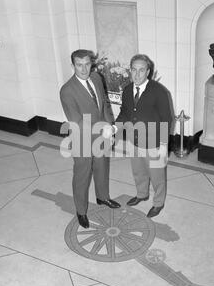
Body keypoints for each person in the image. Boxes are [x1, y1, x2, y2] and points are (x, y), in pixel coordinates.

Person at [60, 49, 121, 229]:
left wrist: (110, 126)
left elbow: (104, 105)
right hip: (83, 140)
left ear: (91, 64)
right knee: (82, 176)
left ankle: (102, 197)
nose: (84, 69)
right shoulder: (67, 90)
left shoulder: (96, 78)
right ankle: (81, 211)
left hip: (102, 135)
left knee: (102, 168)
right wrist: (104, 130)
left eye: (87, 64)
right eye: (79, 65)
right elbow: (77, 121)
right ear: (73, 66)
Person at [107, 54, 172, 218]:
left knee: (157, 176)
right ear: (130, 70)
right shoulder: (128, 90)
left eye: (141, 70)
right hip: (133, 140)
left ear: (148, 72)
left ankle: (158, 203)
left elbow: (166, 119)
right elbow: (125, 113)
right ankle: (142, 194)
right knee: (138, 171)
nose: (137, 74)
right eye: (134, 70)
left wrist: (164, 145)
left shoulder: (159, 91)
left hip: (154, 143)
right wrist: (114, 127)